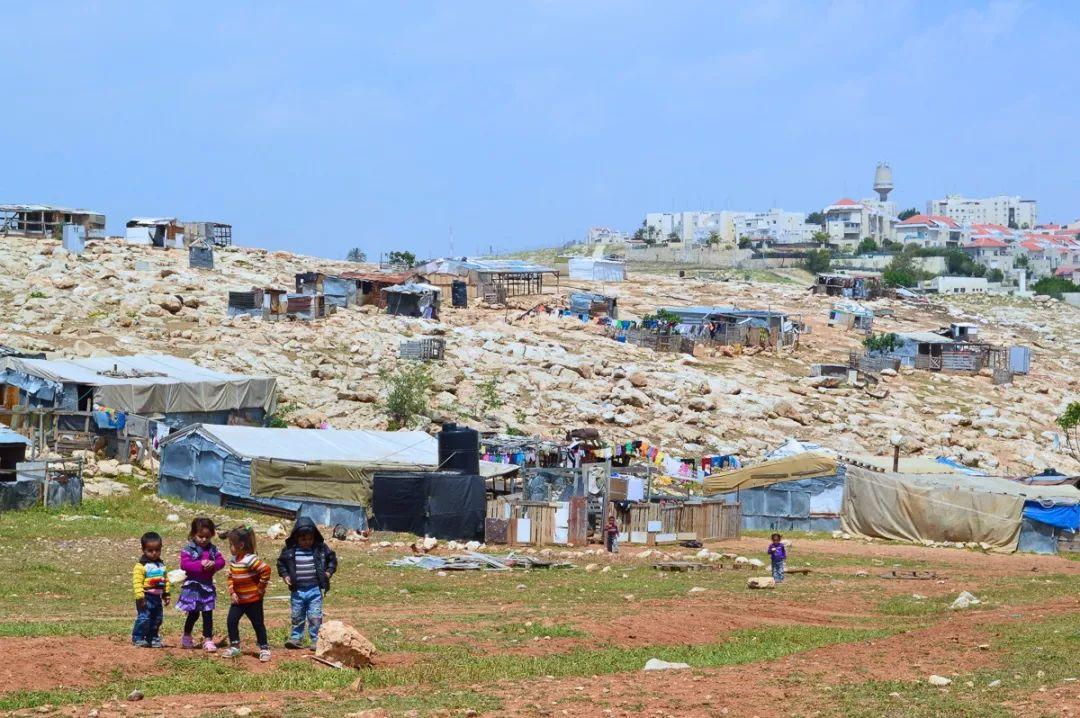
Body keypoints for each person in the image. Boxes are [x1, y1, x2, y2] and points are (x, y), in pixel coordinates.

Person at [277, 517, 337, 651]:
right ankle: (296, 638)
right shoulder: (290, 550)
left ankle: (316, 640)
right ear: (296, 538)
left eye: (310, 539)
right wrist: (285, 575)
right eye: (303, 539)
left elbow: (332, 559)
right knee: (297, 615)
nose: (307, 542)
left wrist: (328, 572)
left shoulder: (320, 549)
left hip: (314, 590)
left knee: (315, 616)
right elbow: (281, 563)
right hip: (297, 591)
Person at [222, 526, 272, 661]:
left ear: (241, 545)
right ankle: (235, 646)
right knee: (231, 621)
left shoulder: (250, 559)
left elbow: (266, 570)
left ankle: (264, 648)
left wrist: (261, 588)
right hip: (239, 600)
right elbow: (231, 576)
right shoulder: (235, 559)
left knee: (258, 623)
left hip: (253, 600)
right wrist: (232, 592)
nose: (230, 547)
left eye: (231, 545)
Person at [177, 517, 226, 652]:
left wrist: (214, 564)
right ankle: (187, 635)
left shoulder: (213, 549)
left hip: (207, 586)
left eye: (207, 537)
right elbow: (184, 564)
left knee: (208, 613)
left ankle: (208, 640)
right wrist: (200, 564)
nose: (204, 540)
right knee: (193, 614)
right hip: (193, 587)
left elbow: (222, 562)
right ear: (193, 534)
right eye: (200, 536)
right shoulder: (189, 549)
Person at [132, 531, 169, 648]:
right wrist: (140, 596)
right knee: (144, 618)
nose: (154, 553)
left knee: (157, 618)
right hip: (145, 597)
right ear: (143, 550)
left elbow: (165, 580)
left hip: (157, 598)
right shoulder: (141, 566)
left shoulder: (161, 565)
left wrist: (166, 594)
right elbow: (137, 582)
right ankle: (138, 637)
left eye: (157, 550)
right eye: (150, 550)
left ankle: (152, 637)